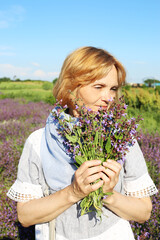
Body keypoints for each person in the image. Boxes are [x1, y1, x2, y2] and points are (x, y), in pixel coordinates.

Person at [7, 46, 158, 240]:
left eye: (113, 88)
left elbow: (144, 213)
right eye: (98, 87)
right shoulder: (38, 142)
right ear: (71, 87)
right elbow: (25, 216)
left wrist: (107, 193)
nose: (109, 98)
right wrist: (73, 192)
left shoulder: (122, 139)